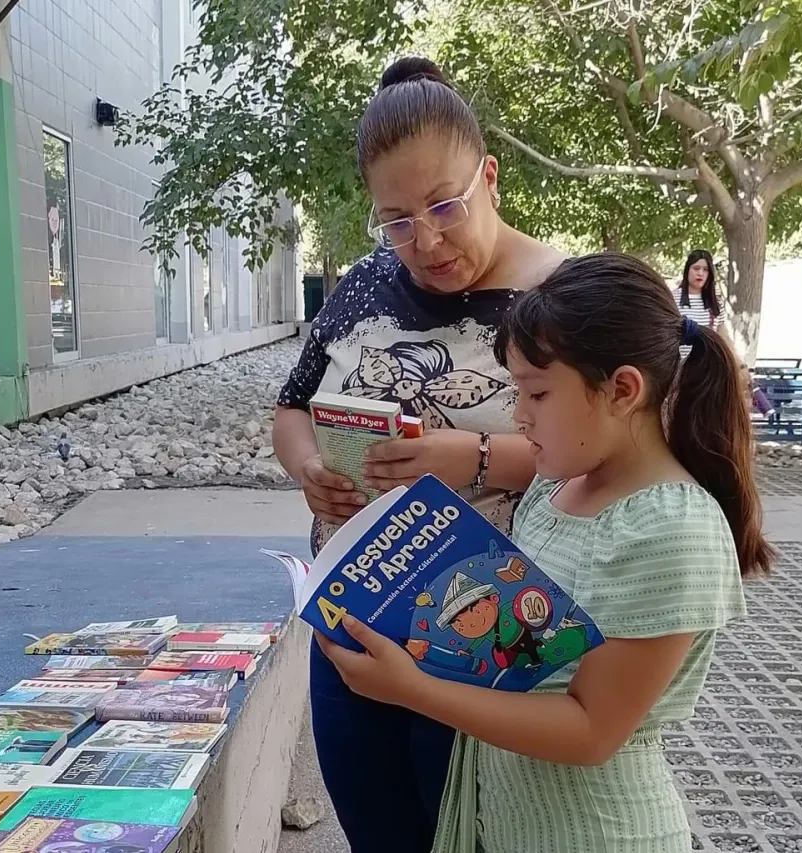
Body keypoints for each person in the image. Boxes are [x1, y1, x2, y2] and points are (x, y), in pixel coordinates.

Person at [316, 252, 773, 853]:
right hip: (504, 817)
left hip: (593, 831)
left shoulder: (671, 528)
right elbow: (526, 651)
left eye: (536, 393)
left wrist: (413, 690)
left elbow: (591, 731)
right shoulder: (557, 485)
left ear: (622, 390)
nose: (517, 414)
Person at [271, 56, 564, 853]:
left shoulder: (563, 295)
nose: (425, 240)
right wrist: (308, 471)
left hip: (486, 630)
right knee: (378, 834)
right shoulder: (364, 285)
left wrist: (470, 457)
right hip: (352, 617)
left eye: (444, 206)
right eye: (396, 219)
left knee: (464, 834)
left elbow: (607, 458)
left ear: (490, 176)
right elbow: (292, 406)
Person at [673, 248, 772, 415]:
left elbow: (723, 337)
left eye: (705, 270)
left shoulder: (715, 303)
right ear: (687, 270)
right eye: (696, 268)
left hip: (706, 367)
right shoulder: (672, 299)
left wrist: (740, 365)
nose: (700, 274)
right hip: (678, 370)